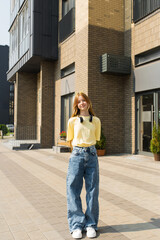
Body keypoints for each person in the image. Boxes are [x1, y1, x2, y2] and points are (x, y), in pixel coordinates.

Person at [66, 92, 101, 239]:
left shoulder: (96, 121)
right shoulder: (72, 121)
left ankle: (91, 224)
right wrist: (76, 154)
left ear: (88, 102)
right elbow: (70, 140)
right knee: (73, 190)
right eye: (79, 102)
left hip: (92, 155)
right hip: (77, 156)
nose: (82, 103)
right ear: (76, 105)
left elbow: (96, 139)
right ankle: (76, 225)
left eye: (84, 100)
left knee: (92, 191)